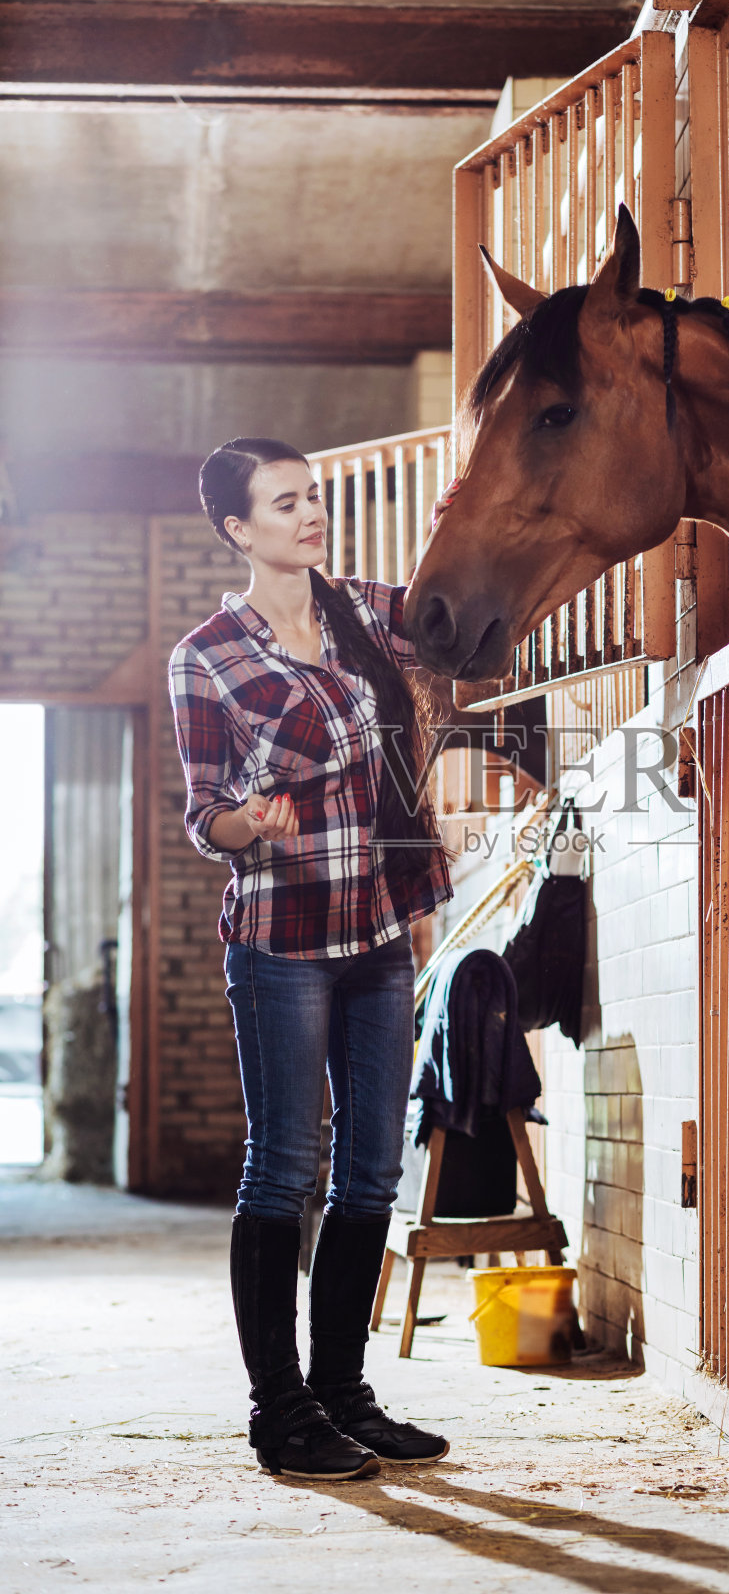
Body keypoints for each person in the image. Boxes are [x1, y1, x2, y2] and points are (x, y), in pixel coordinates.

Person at [168, 437, 453, 1481]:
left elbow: (448, 620)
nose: (311, 514)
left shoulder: (360, 612)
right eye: (287, 503)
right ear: (239, 528)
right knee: (287, 1166)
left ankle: (342, 1393)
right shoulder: (207, 655)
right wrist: (251, 821)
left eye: (315, 496)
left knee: (373, 1170)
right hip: (281, 942)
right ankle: (278, 1414)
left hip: (376, 934)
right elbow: (206, 818)